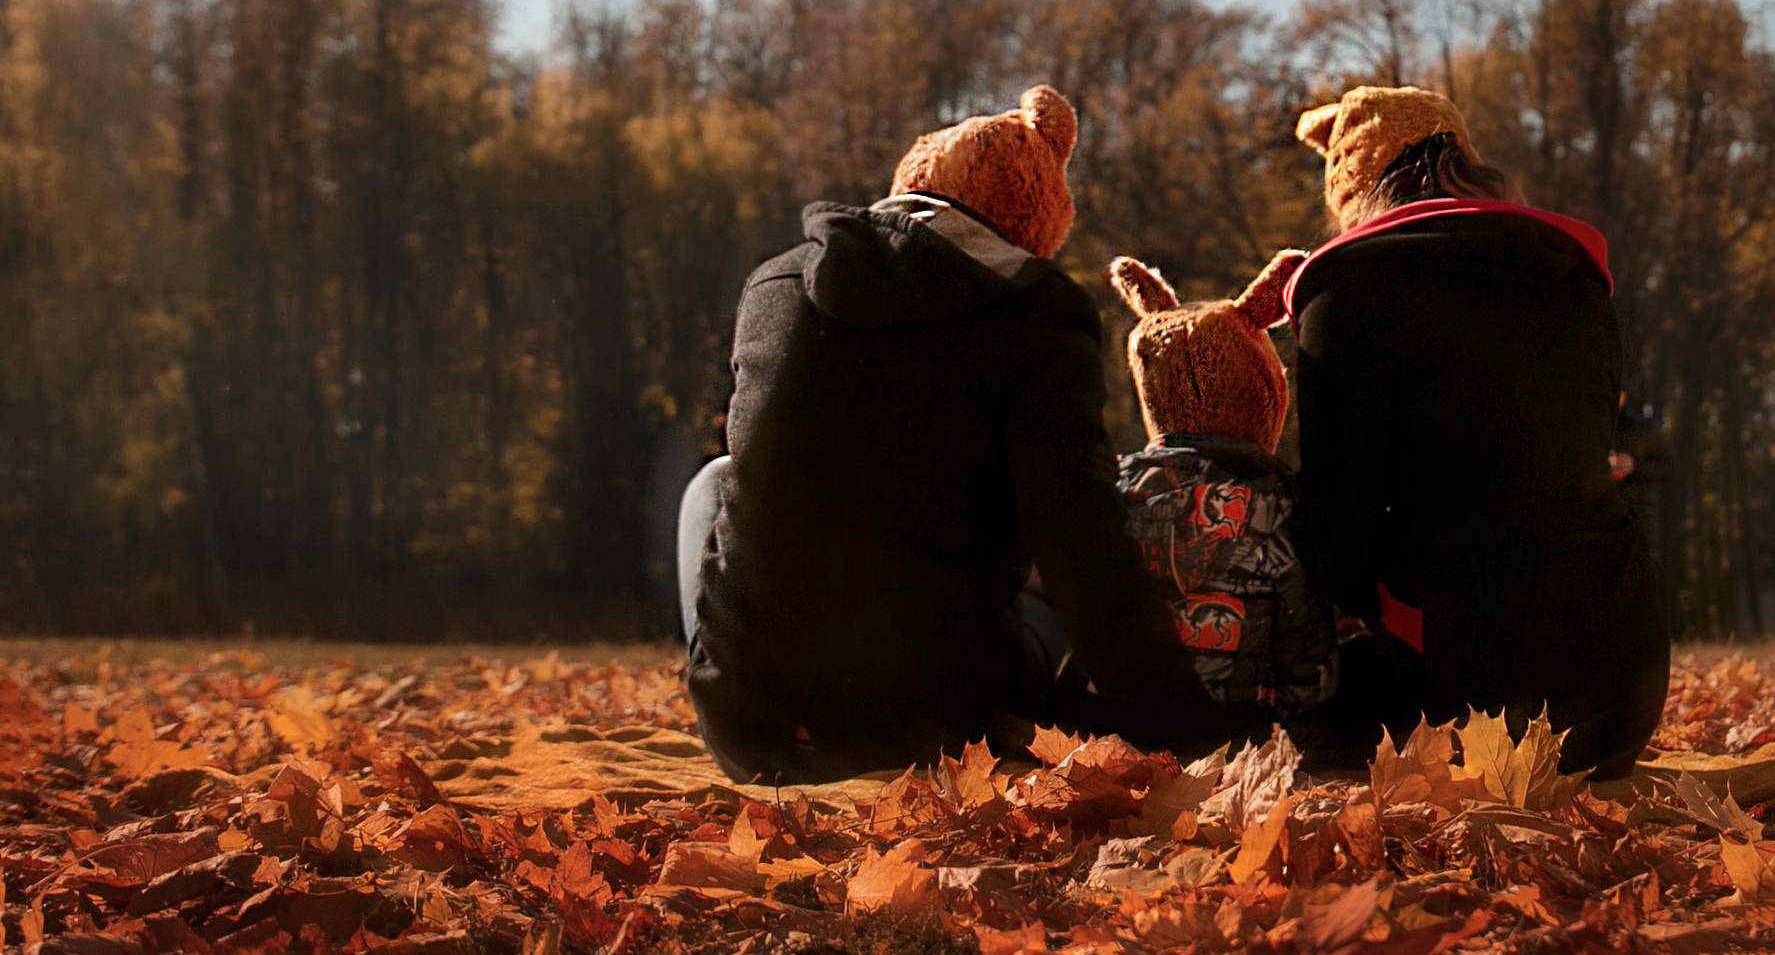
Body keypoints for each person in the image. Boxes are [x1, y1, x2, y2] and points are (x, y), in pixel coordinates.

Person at [679, 86, 1224, 783]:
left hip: (755, 727)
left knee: (715, 484)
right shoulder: (1039, 311)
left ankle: (738, 680)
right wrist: (1184, 724)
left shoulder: (774, 282)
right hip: (927, 725)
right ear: (1034, 220)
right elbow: (1080, 544)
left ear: (911, 181)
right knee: (1039, 569)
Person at [1284, 87, 1670, 780]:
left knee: (1295, 709)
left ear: (1354, 191)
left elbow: (1334, 537)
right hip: (1623, 688)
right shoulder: (1574, 276)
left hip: (1470, 703)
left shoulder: (1345, 293)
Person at [1105, 251, 1337, 725]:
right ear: (1266, 388)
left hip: (1137, 716)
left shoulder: (1118, 485)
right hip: (1252, 717)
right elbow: (1302, 618)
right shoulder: (1283, 499)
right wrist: (1306, 704)